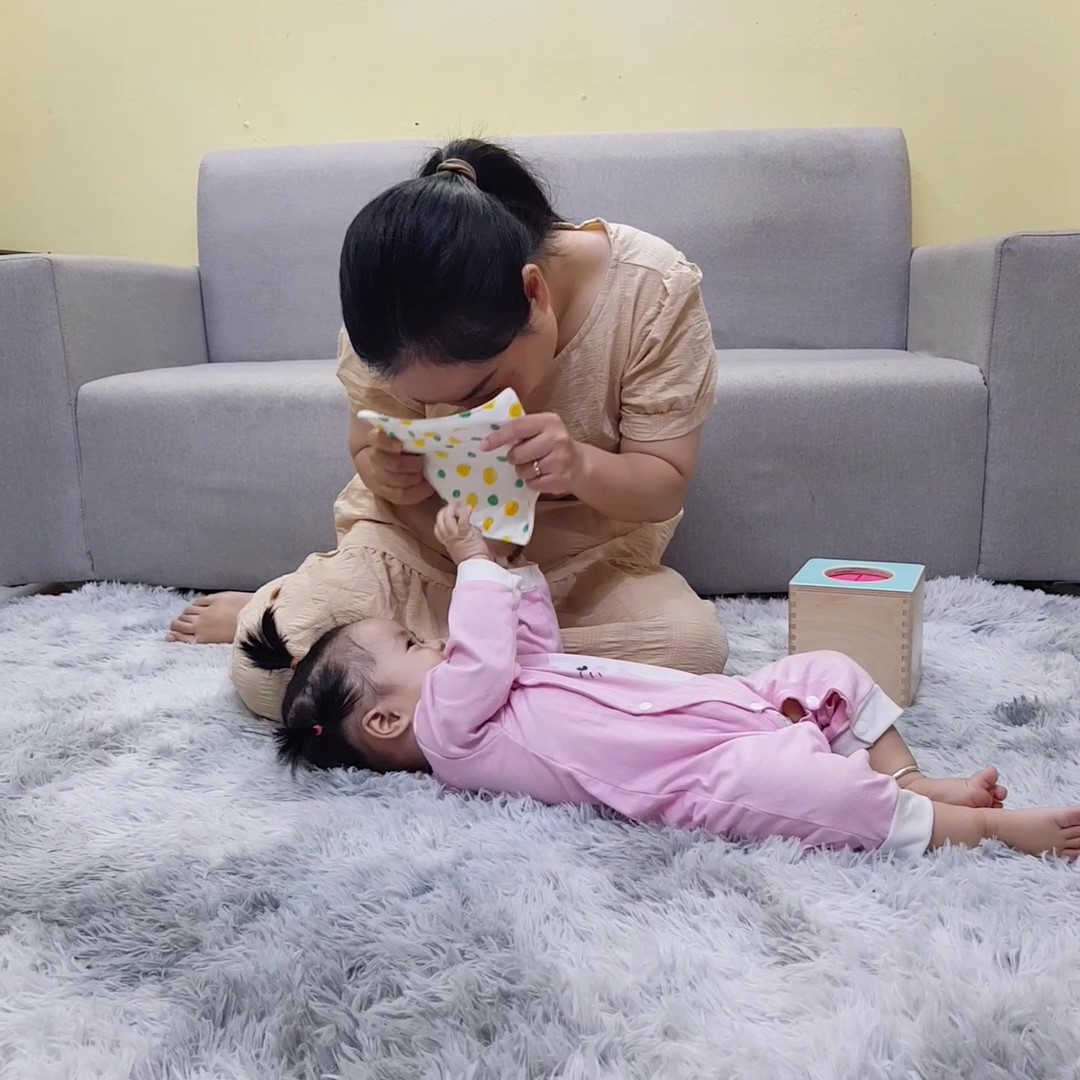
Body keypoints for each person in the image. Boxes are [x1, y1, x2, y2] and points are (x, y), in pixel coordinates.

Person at [167, 138, 728, 721]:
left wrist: (581, 466)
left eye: (481, 390)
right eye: (425, 402)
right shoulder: (389, 315)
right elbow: (364, 446)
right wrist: (384, 469)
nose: (460, 412)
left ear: (534, 292)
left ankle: (428, 659)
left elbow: (663, 486)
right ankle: (474, 665)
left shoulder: (650, 289)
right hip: (425, 551)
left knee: (689, 653)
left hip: (579, 570)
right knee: (268, 672)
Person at [257, 502, 1080, 860]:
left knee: (830, 671)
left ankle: (907, 776)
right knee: (821, 798)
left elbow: (524, 642)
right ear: (388, 724)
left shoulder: (490, 688)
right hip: (704, 773)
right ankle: (983, 830)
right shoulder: (451, 734)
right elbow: (481, 655)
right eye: (411, 643)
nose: (434, 640)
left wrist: (508, 564)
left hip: (729, 705)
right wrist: (470, 564)